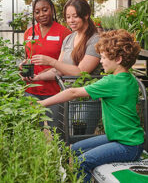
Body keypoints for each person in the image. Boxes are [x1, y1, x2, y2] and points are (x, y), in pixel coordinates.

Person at [37, 29, 144, 183]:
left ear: (118, 59)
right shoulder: (130, 79)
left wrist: (42, 103)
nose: (100, 61)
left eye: (103, 57)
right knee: (73, 150)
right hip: (124, 139)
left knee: (82, 161)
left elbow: (73, 92)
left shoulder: (111, 82)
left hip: (126, 145)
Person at [20, 0, 71, 128]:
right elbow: (29, 57)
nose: (41, 14)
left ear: (52, 10)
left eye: (45, 10)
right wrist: (23, 65)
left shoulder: (64, 33)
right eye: (37, 12)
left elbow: (68, 63)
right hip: (31, 89)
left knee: (58, 130)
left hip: (55, 91)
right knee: (33, 130)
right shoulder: (29, 33)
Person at [30, 0, 101, 81]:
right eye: (68, 17)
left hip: (85, 92)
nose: (71, 20)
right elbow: (59, 70)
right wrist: (37, 77)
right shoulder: (69, 39)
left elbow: (81, 72)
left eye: (75, 16)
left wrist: (51, 61)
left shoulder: (95, 40)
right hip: (67, 91)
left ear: (86, 15)